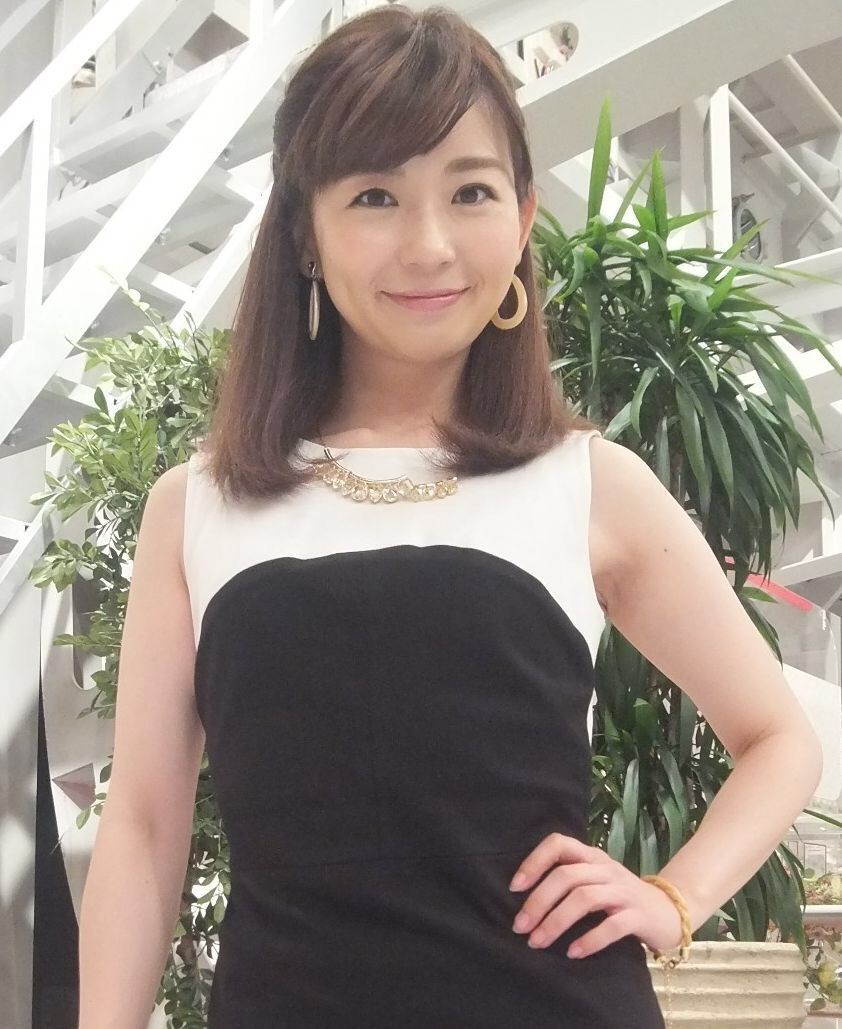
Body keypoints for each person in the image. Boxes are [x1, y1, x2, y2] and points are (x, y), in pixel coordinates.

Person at [77, 5, 824, 1028]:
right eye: (374, 196)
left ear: (521, 217)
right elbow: (144, 826)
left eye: (470, 191)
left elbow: (777, 738)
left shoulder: (589, 482)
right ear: (303, 233)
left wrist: (674, 894)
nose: (428, 246)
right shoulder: (197, 504)